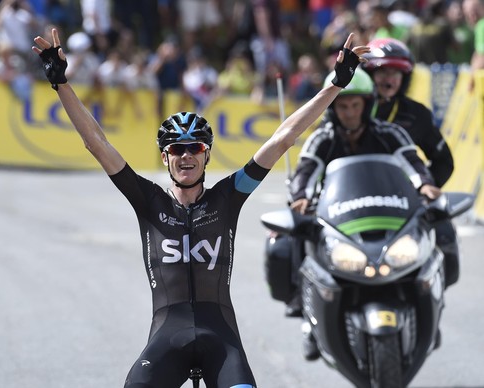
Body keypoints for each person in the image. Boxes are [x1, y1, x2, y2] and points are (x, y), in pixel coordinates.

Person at [32, 28, 369, 388]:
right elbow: (96, 143)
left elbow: (283, 138)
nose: (187, 155)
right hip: (166, 338)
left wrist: (335, 84)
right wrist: (61, 83)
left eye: (195, 148)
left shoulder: (228, 196)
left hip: (220, 340)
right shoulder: (148, 200)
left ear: (206, 155)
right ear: (166, 157)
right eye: (177, 149)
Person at [284, 68, 440, 360]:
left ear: (367, 105)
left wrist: (427, 185)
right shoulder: (322, 138)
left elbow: (413, 163)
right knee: (293, 237)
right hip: (338, 219)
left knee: (437, 229)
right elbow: (304, 173)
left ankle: (432, 303)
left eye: (356, 105)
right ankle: (306, 314)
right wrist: (300, 198)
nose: (350, 112)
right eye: (342, 106)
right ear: (333, 108)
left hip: (389, 212)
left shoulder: (389, 133)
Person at [361, 37, 460, 289]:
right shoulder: (348, 106)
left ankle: (433, 293)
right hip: (351, 199)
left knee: (445, 231)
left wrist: (424, 190)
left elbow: (443, 161)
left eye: (396, 72)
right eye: (383, 71)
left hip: (402, 201)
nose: (389, 79)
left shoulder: (417, 114)